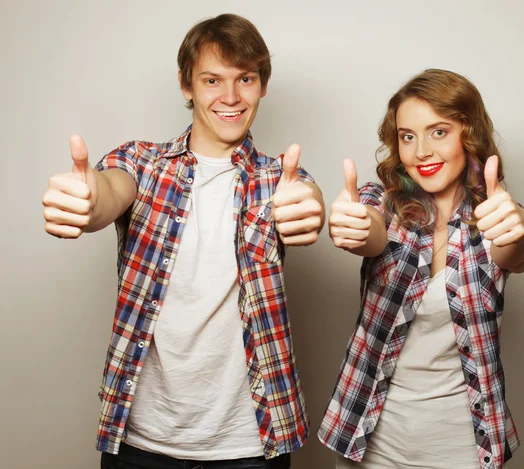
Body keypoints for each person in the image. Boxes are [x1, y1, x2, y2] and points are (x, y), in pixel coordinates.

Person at [42, 13, 324, 469]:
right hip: (142, 441)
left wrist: (310, 210)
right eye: (212, 79)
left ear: (262, 85)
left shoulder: (280, 180)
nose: (230, 97)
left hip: (250, 444)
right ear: (186, 85)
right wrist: (87, 202)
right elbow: (111, 191)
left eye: (245, 79)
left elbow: (305, 202)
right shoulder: (142, 162)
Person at [319, 69, 524, 469]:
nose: (420, 151)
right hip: (368, 440)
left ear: (468, 133)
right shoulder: (382, 204)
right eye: (407, 136)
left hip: (462, 447)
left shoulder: (495, 217)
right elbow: (371, 231)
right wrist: (355, 226)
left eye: (438, 131)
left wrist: (523, 231)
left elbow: (516, 251)